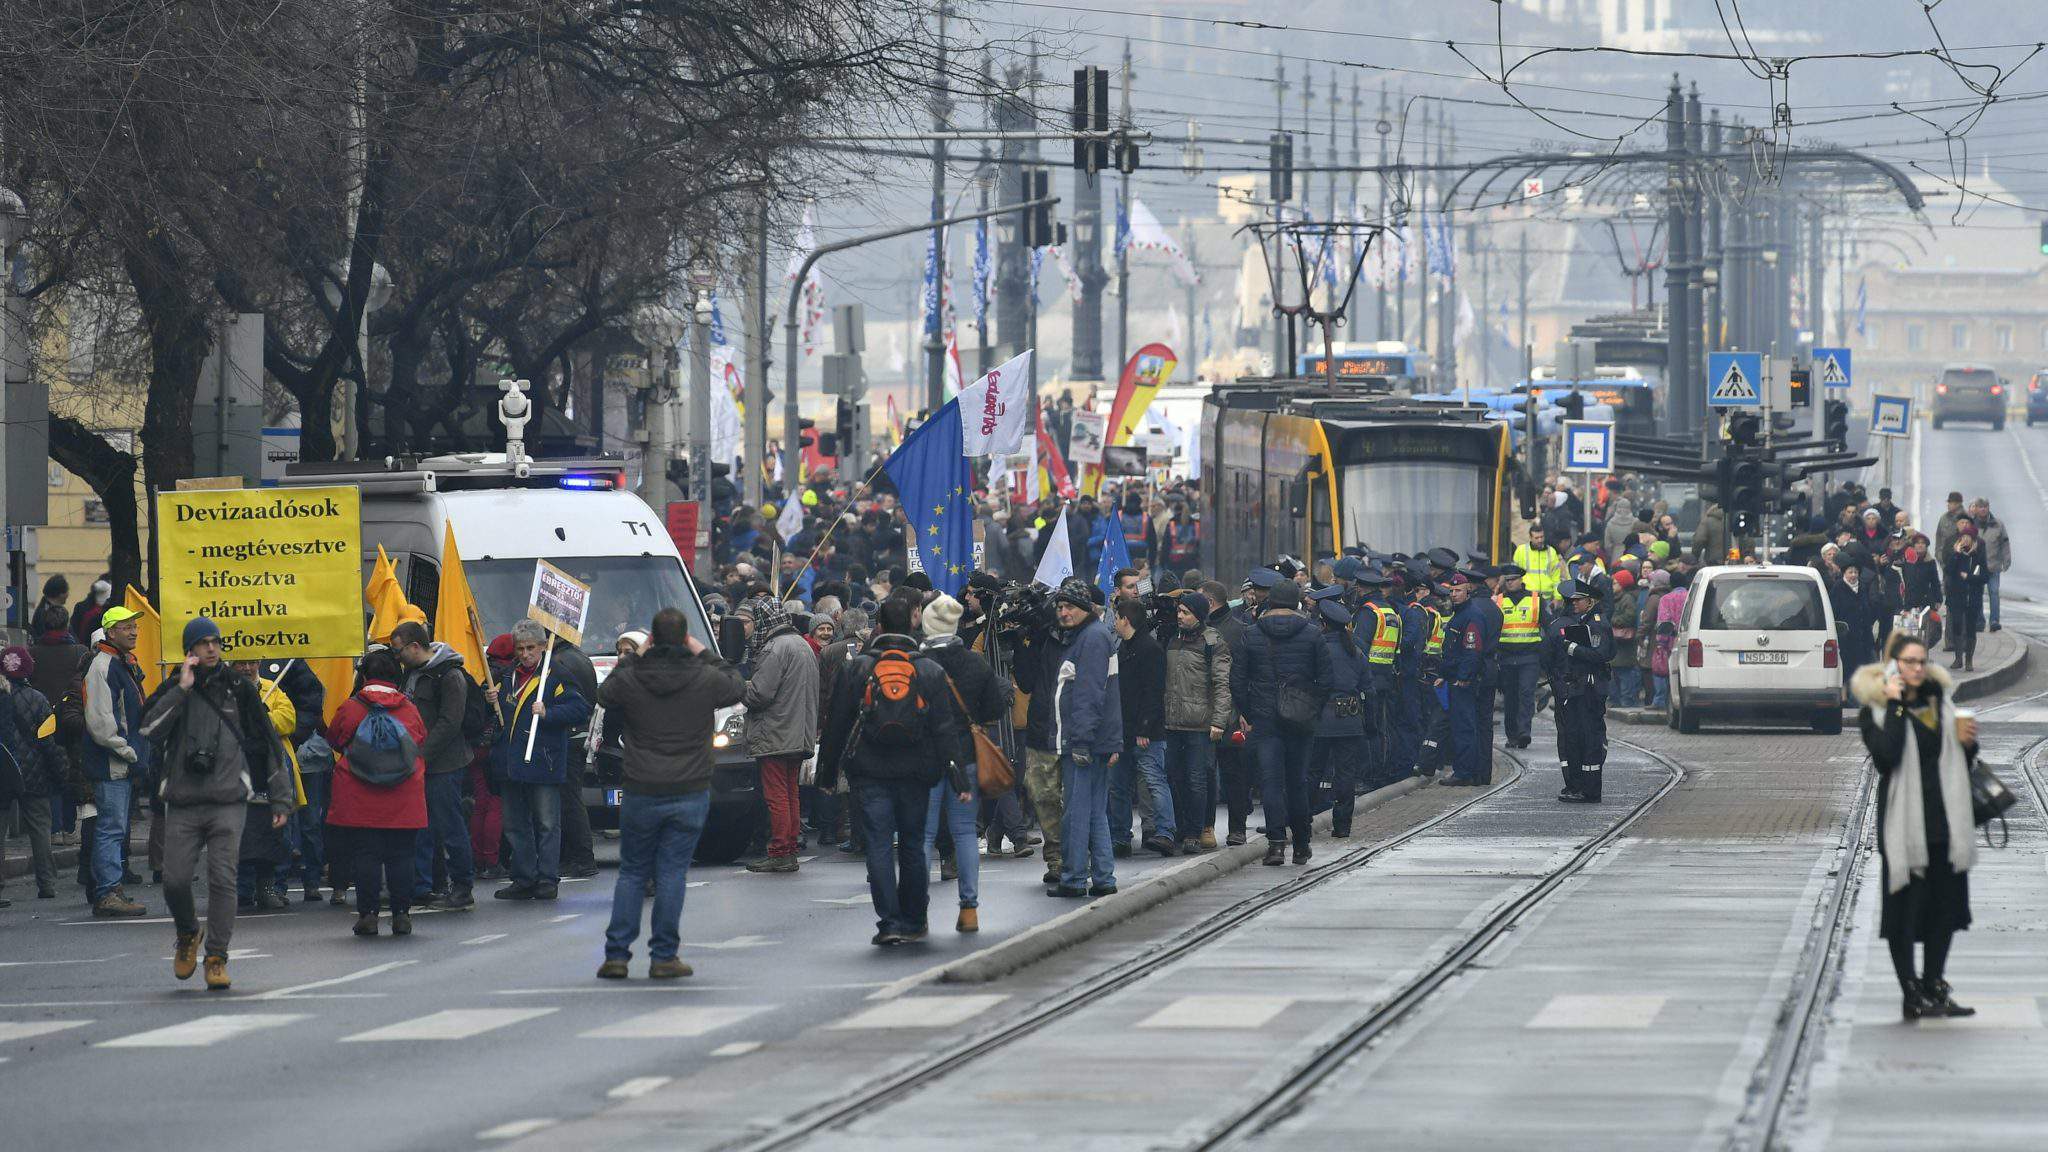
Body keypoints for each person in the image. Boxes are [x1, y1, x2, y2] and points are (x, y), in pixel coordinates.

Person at [139, 617, 292, 990]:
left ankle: (217, 956)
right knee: (174, 880)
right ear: (189, 650)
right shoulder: (176, 685)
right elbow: (148, 730)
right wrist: (182, 689)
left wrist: (281, 798)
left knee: (224, 879)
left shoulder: (239, 689)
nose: (211, 648)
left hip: (228, 800)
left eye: (215, 642)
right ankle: (188, 933)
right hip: (184, 801)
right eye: (203, 643)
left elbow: (267, 742)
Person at [596, 607, 745, 978]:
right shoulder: (703, 676)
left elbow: (604, 695)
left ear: (651, 641)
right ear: (684, 639)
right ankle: (664, 956)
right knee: (672, 874)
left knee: (632, 872)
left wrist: (634, 658)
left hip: (642, 786)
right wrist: (702, 650)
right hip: (689, 787)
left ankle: (617, 954)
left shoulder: (633, 677)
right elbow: (737, 684)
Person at [817, 593, 970, 944]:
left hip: (869, 772)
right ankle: (915, 919)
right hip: (917, 772)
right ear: (913, 622)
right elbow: (944, 727)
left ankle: (888, 922)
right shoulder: (929, 669)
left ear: (880, 626)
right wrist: (957, 773)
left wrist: (827, 774)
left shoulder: (857, 667)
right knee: (915, 846)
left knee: (879, 845)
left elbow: (837, 722)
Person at [1853, 633, 1978, 1020]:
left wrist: (1969, 744)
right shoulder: (1874, 711)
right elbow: (1887, 756)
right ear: (1893, 665)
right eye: (1909, 662)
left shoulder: (1940, 703)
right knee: (1904, 912)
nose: (1918, 668)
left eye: (1922, 661)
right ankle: (1910, 990)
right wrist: (1894, 704)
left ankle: (1933, 984)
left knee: (1944, 909)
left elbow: (1961, 761)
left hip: (1944, 821)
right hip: (1903, 827)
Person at [919, 593, 1014, 933]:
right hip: (966, 756)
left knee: (923, 835)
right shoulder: (975, 663)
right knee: (963, 833)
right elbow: (992, 707)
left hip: (926, 760)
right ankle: (969, 908)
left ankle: (918, 909)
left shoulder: (918, 664)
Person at [325, 649, 429, 937]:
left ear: (365, 675)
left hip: (360, 795)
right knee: (402, 855)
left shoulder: (351, 707)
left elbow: (335, 738)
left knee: (366, 856)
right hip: (403, 795)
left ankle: (368, 914)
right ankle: (401, 914)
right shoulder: (408, 708)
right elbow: (420, 738)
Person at [485, 619, 592, 900]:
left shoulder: (555, 673)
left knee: (546, 822)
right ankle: (523, 877)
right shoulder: (508, 675)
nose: (525, 653)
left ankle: (546, 878)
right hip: (511, 760)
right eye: (520, 648)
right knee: (514, 823)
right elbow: (500, 715)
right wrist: (491, 698)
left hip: (543, 758)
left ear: (543, 647)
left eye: (531, 647)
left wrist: (548, 713)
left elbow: (580, 708)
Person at [1231, 578, 1331, 866]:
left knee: (1271, 783)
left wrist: (1250, 712)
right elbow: (1326, 680)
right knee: (1297, 782)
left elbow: (1237, 680)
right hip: (1301, 721)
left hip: (1265, 720)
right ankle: (1301, 845)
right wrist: (1310, 708)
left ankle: (1276, 845)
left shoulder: (1251, 634)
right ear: (1297, 604)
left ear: (1271, 602)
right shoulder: (1313, 635)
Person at [391, 621, 477, 910]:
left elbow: (450, 722)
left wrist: (422, 754)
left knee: (450, 824)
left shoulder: (450, 675)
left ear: (415, 646)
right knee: (421, 826)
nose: (397, 657)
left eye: (399, 650)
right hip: (418, 762)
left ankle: (463, 886)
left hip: (445, 763)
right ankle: (423, 886)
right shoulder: (412, 674)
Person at [1045, 580, 1122, 897]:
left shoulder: (1090, 639)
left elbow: (1089, 695)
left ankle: (1074, 878)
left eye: (1069, 607)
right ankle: (1103, 878)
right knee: (1093, 811)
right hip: (1095, 739)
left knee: (1076, 813)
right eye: (1060, 607)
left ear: (1086, 608)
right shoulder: (1093, 636)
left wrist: (1081, 741)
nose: (1063, 613)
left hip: (1084, 741)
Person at [741, 598, 819, 874]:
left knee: (776, 795)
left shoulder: (775, 649)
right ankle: (789, 848)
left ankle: (780, 851)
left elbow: (760, 694)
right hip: (798, 732)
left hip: (775, 732)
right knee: (790, 793)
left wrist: (741, 687)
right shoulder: (802, 645)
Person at [82, 605, 150, 917]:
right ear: (111, 632)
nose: (134, 631)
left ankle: (110, 888)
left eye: (134, 626)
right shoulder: (104, 667)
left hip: (120, 761)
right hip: (113, 763)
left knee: (115, 828)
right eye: (126, 626)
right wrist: (130, 752)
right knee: (111, 829)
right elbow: (101, 725)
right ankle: (108, 892)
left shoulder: (119, 664)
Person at [1162, 592, 1230, 855]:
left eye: (1185, 612)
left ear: (1199, 616)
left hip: (1200, 725)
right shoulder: (1173, 640)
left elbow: (1222, 685)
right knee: (1174, 777)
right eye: (1179, 611)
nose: (1180, 616)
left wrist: (1218, 721)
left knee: (1196, 779)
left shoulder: (1212, 643)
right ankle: (1181, 827)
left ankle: (1194, 831)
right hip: (1173, 722)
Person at [1110, 597, 1175, 858]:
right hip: (1123, 730)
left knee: (1153, 781)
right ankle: (1120, 836)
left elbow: (1153, 691)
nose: (1114, 622)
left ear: (1126, 620)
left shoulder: (1149, 648)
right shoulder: (1124, 647)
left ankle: (1166, 832)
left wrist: (1145, 728)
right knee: (1119, 785)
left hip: (1144, 731)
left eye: (1116, 617)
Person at [0, 646, 62, 901]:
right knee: (40, 829)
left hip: (4, 769)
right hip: (35, 771)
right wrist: (58, 770)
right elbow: (48, 740)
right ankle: (47, 883)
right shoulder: (39, 699)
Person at [1547, 580, 1615, 803]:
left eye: (1578, 600)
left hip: (1590, 690)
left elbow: (1602, 654)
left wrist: (1573, 648)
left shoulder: (1597, 623)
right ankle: (1583, 787)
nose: (1573, 604)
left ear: (1590, 601)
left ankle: (1590, 789)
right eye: (1573, 600)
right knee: (1578, 737)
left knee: (1589, 738)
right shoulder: (1585, 620)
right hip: (1581, 688)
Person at [1312, 599, 1369, 835]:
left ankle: (1304, 820)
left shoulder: (1316, 649)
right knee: (1345, 774)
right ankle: (1343, 825)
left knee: (1312, 771)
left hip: (1320, 720)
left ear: (1323, 623)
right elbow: (1369, 688)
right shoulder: (1356, 651)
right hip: (1349, 720)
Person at [1440, 575, 1489, 787]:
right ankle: (1468, 770)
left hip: (1464, 681)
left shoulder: (1471, 615)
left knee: (1464, 727)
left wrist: (1464, 676)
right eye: (1452, 591)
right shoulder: (1460, 614)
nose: (1454, 595)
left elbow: (1472, 650)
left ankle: (1464, 772)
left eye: (1458, 591)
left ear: (1468, 591)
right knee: (1462, 725)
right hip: (1455, 677)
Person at [1493, 564, 1546, 748]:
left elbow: (1547, 625)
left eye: (1513, 579)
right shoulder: (1498, 601)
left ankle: (1524, 731)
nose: (1510, 583)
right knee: (1510, 698)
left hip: (1529, 656)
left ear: (1521, 579)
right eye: (1507, 580)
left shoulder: (1535, 599)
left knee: (1526, 693)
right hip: (1506, 658)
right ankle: (1512, 735)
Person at [1943, 520, 1989, 672]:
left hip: (1972, 597)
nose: (1965, 540)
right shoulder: (1956, 554)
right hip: (1957, 596)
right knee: (1956, 625)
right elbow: (1949, 570)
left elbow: (1985, 577)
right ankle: (1958, 659)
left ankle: (1969, 660)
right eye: (1963, 537)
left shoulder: (1978, 556)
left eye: (1969, 537)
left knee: (1970, 628)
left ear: (1974, 540)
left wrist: (1968, 577)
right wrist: (1956, 554)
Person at [1970, 499, 2010, 632]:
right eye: (1980, 507)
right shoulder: (1971, 524)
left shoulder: (1997, 524)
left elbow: (2005, 543)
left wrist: (2006, 560)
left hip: (1994, 565)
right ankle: (1979, 621)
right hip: (1977, 566)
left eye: (1985, 506)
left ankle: (1994, 621)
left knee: (1994, 592)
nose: (1983, 509)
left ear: (1988, 508)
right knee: (1977, 593)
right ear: (1976, 508)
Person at [1512, 525, 1564, 601]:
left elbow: (1556, 577)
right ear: (1530, 538)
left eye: (1542, 537)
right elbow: (1515, 575)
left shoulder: (1551, 552)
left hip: (1547, 598)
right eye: (1536, 538)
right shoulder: (1521, 551)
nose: (1540, 540)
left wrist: (1557, 597)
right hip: (1527, 597)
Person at [30, 575, 70, 639]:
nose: (68, 594)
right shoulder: (43, 614)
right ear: (61, 594)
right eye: (67, 591)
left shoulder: (43, 609)